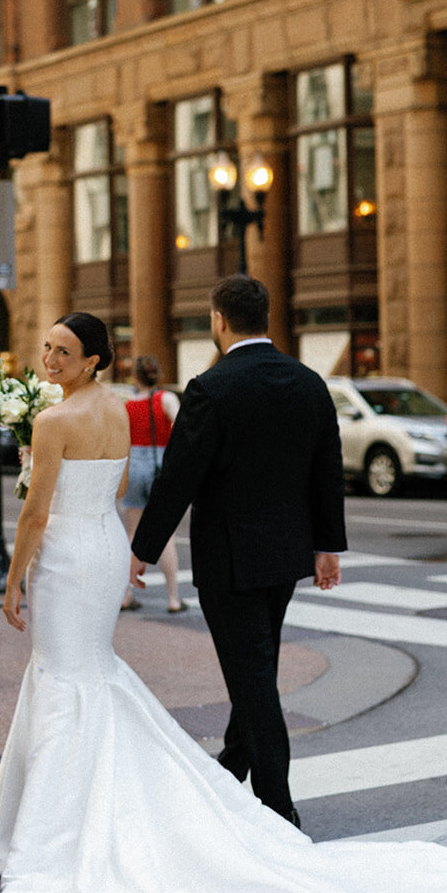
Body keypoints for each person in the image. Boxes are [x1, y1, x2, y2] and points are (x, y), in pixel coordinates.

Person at [0, 311, 447, 893]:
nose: (49, 358)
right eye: (46, 348)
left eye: (62, 350)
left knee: (78, 678)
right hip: (116, 549)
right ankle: (67, 810)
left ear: (92, 361)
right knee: (90, 675)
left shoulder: (58, 421)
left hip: (79, 557)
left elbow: (45, 511)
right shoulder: (127, 408)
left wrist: (17, 570)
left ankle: (70, 833)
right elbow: (124, 488)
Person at [130, 275, 344, 825]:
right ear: (265, 317)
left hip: (230, 561)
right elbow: (327, 471)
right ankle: (227, 774)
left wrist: (143, 550)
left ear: (219, 321)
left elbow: (177, 478)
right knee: (256, 671)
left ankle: (278, 809)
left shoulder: (211, 388)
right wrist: (327, 547)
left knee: (253, 682)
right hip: (287, 557)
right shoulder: (309, 382)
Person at [119, 355, 184, 614]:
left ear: (135, 377)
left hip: (133, 465)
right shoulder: (166, 399)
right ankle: (173, 599)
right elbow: (183, 430)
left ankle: (125, 594)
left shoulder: (127, 405)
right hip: (160, 465)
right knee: (165, 533)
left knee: (133, 532)